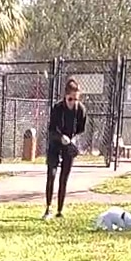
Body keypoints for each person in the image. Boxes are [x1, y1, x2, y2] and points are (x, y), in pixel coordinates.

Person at [44, 79, 87, 219]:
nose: (72, 102)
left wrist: (73, 139)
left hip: (69, 146)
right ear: (65, 96)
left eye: (75, 99)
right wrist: (61, 136)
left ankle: (59, 210)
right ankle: (48, 208)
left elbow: (81, 130)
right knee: (52, 174)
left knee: (64, 178)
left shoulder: (80, 109)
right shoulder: (57, 108)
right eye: (70, 99)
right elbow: (51, 130)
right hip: (56, 144)